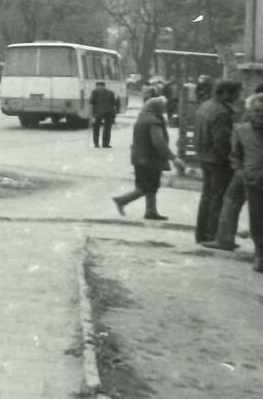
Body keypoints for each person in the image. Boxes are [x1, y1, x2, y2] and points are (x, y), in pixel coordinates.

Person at [112, 95, 184, 220]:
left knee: (152, 186)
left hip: (140, 157)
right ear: (157, 108)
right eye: (162, 108)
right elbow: (159, 143)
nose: (164, 110)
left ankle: (151, 211)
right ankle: (122, 200)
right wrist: (173, 158)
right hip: (149, 158)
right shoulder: (153, 122)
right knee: (146, 187)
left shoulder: (143, 118)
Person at [194, 79, 242, 245]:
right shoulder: (221, 112)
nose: (238, 96)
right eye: (236, 92)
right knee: (218, 198)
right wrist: (230, 160)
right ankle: (213, 234)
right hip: (218, 161)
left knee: (207, 196)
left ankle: (202, 234)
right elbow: (222, 141)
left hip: (205, 157)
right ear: (226, 92)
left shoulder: (206, 106)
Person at [222, 94, 263, 272]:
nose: (260, 115)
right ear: (250, 112)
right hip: (253, 182)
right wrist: (241, 171)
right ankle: (260, 255)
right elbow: (235, 155)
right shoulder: (241, 130)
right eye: (256, 111)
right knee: (257, 219)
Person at [88, 80, 120, 148]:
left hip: (98, 113)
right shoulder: (111, 92)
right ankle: (105, 144)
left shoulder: (95, 91)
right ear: (104, 86)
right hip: (109, 112)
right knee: (107, 129)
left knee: (96, 128)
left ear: (97, 86)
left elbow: (91, 101)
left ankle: (96, 143)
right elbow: (114, 102)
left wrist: (91, 112)